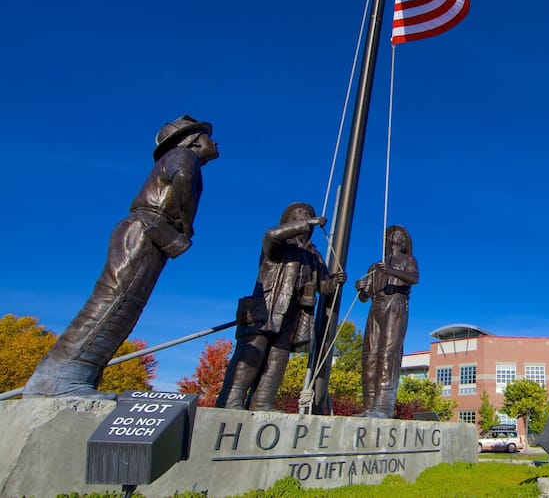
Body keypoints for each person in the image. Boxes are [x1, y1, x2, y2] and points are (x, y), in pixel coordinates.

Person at [23, 115, 219, 399]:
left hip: (148, 231)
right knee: (117, 300)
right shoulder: (183, 155)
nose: (215, 142)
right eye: (209, 137)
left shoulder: (181, 158)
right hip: (148, 229)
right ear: (195, 140)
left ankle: (71, 375)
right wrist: (186, 225)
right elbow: (183, 179)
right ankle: (61, 378)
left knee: (124, 303)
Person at [217, 203, 345, 411]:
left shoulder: (313, 255)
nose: (306, 218)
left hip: (293, 313)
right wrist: (306, 223)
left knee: (278, 359)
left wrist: (335, 282)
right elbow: (271, 235)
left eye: (308, 216)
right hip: (266, 309)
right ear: (290, 221)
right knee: (251, 355)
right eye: (300, 215)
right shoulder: (280, 244)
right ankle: (230, 401)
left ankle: (262, 402)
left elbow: (324, 287)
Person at [355, 225, 418, 418]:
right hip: (376, 307)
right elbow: (365, 297)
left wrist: (391, 270)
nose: (393, 236)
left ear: (404, 242)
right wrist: (361, 289)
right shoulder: (375, 266)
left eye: (398, 234)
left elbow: (414, 278)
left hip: (396, 305)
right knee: (370, 355)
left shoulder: (408, 260)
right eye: (391, 234)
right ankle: (368, 406)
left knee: (388, 354)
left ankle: (383, 407)